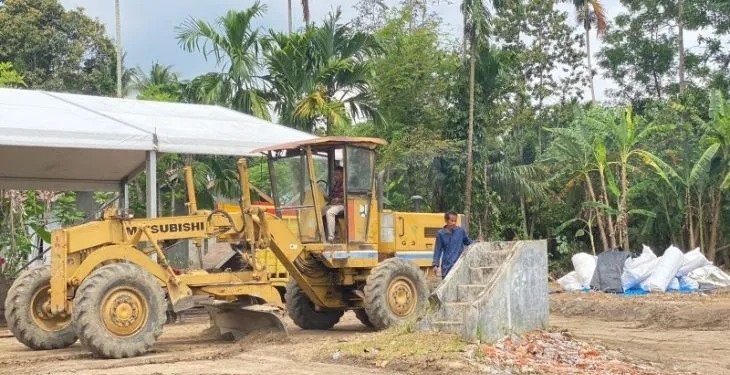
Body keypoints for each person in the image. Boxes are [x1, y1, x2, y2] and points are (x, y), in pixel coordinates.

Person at [432, 211, 472, 277]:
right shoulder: (441, 234)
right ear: (446, 220)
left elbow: (467, 242)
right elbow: (437, 250)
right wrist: (435, 265)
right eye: (452, 221)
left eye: (455, 221)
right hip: (447, 265)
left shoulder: (460, 231)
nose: (454, 223)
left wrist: (477, 242)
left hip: (459, 264)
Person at [323, 166, 344, 242]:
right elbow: (332, 197)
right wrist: (327, 197)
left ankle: (331, 237)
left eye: (338, 175)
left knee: (330, 212)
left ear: (343, 175)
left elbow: (349, 197)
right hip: (335, 205)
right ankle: (323, 234)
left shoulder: (346, 185)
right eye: (335, 175)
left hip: (343, 205)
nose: (335, 177)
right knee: (320, 211)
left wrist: (339, 200)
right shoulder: (336, 185)